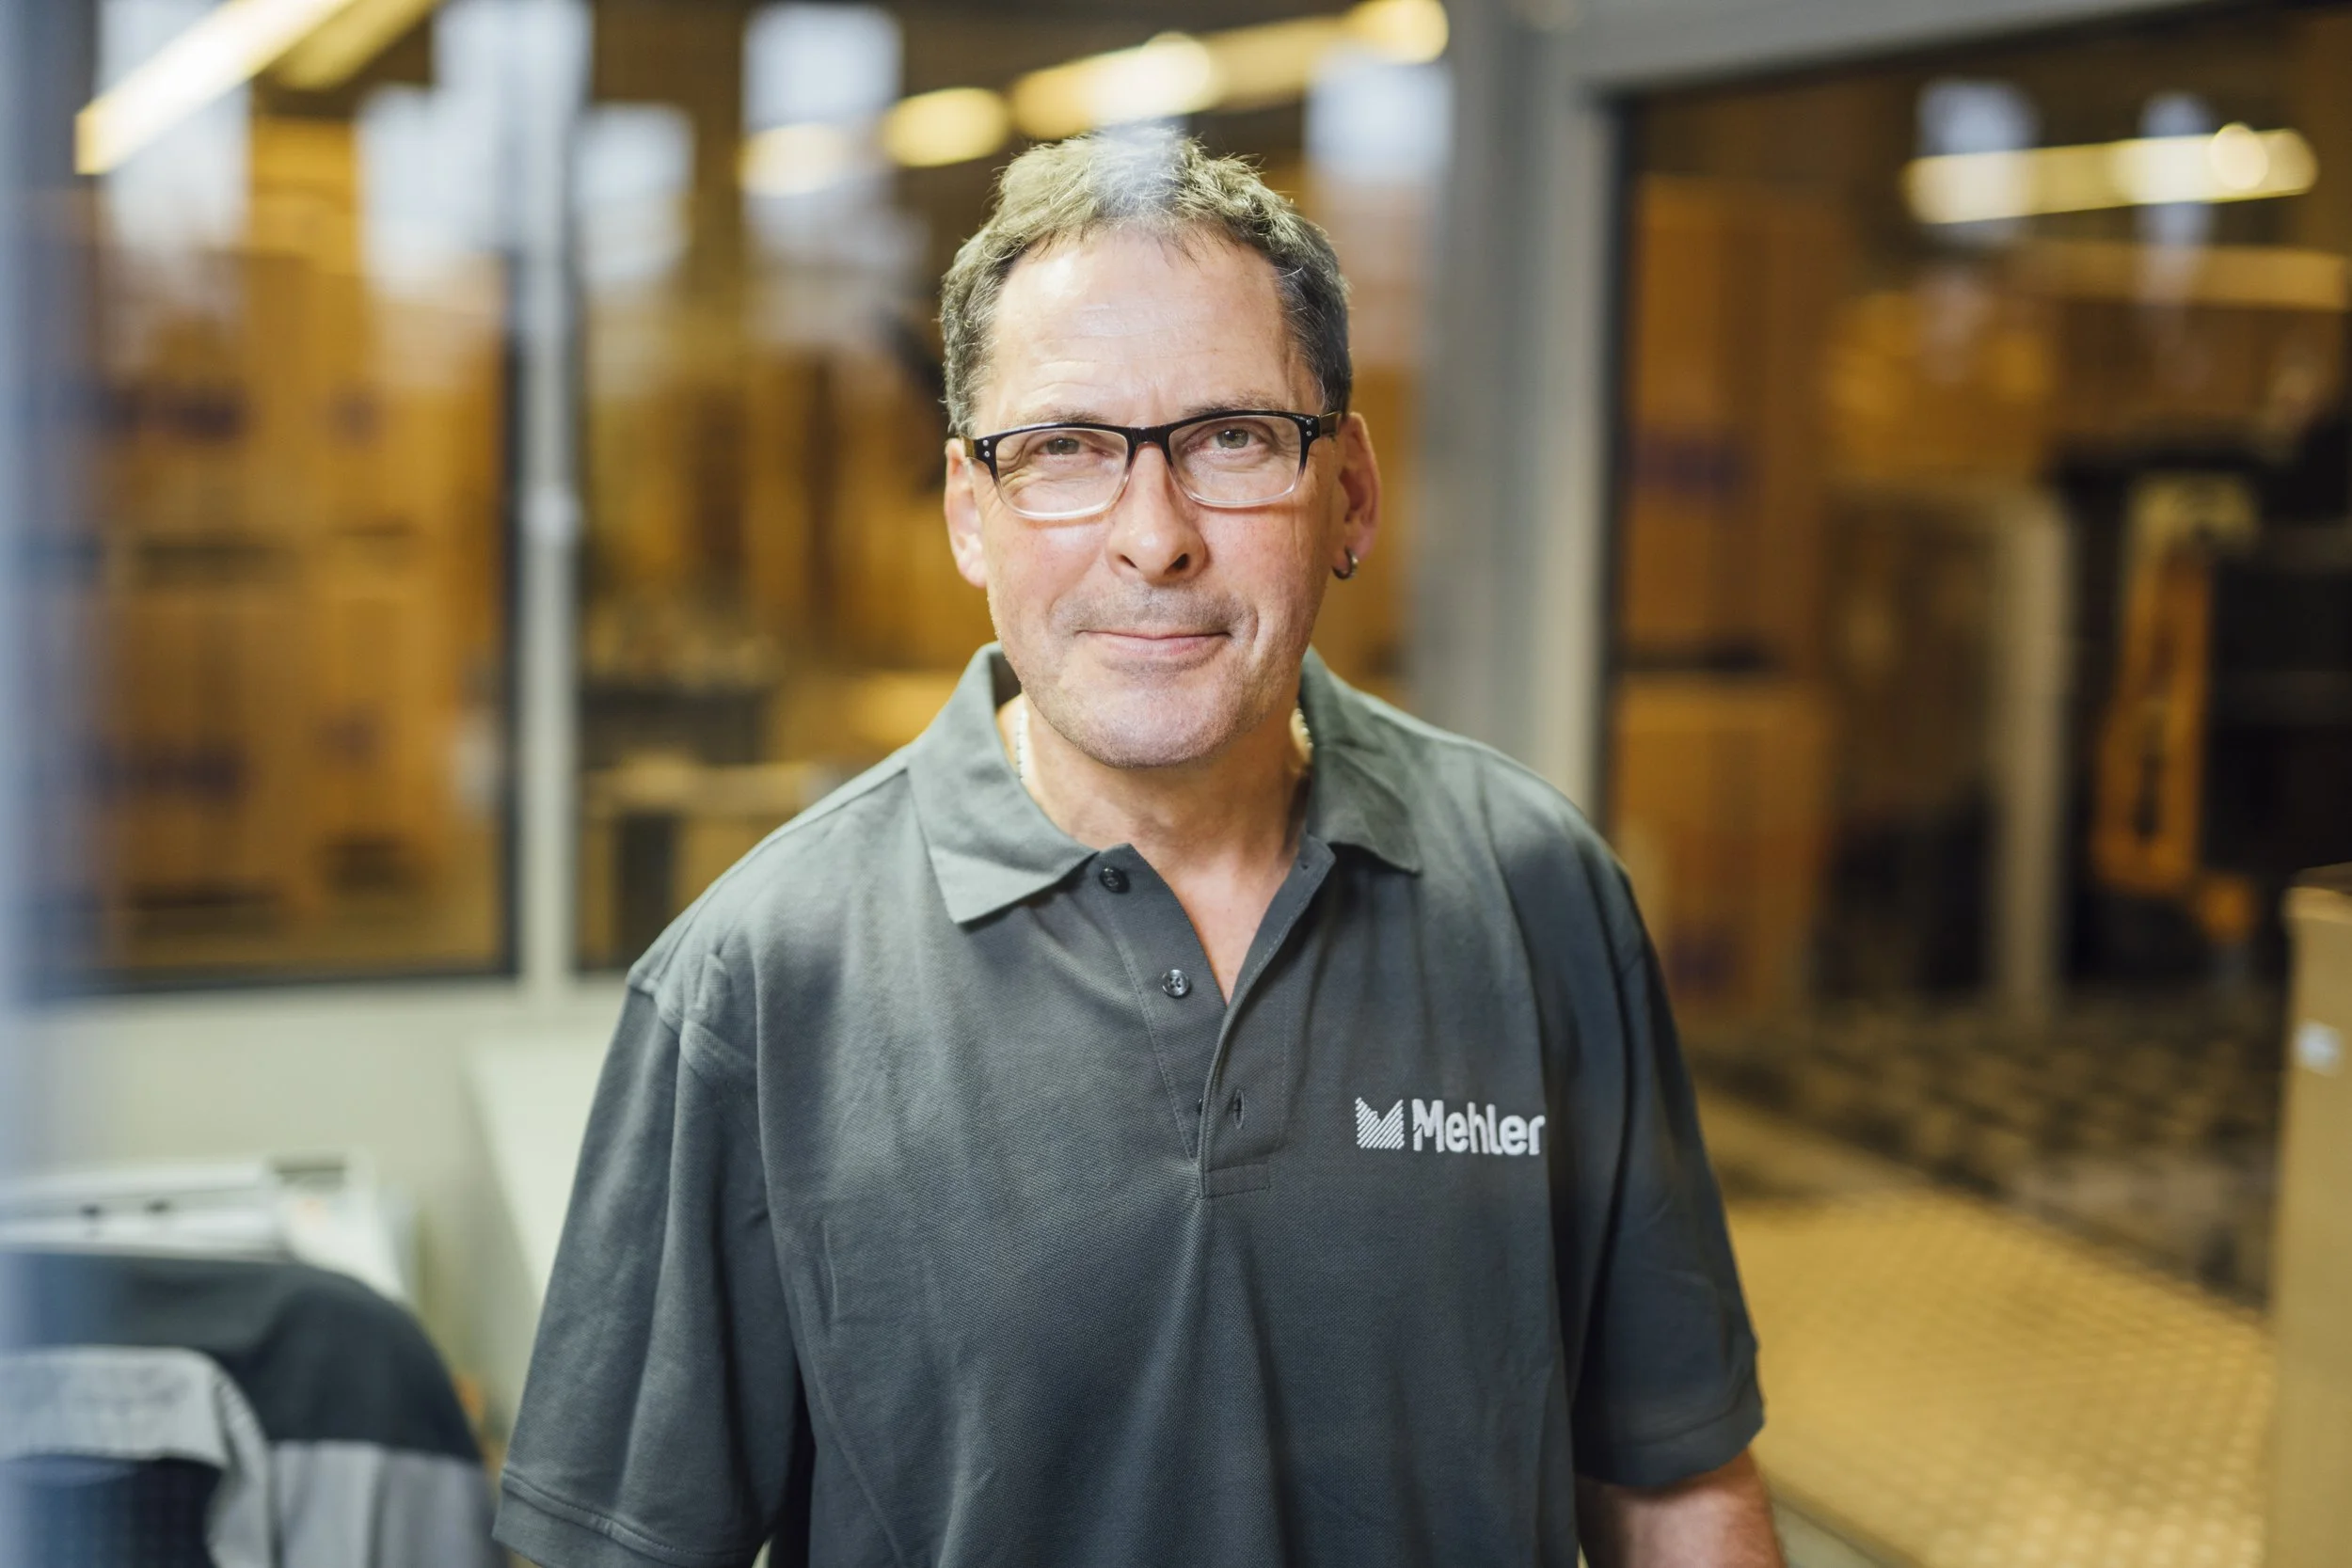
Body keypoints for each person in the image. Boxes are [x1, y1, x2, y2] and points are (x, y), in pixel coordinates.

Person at [494, 133, 1781, 1568]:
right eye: (1064, 450)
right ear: (969, 513)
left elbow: (1675, 1490)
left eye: (1231, 438)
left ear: (1348, 488)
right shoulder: (756, 986)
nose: (1153, 537)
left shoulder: (1540, 896)